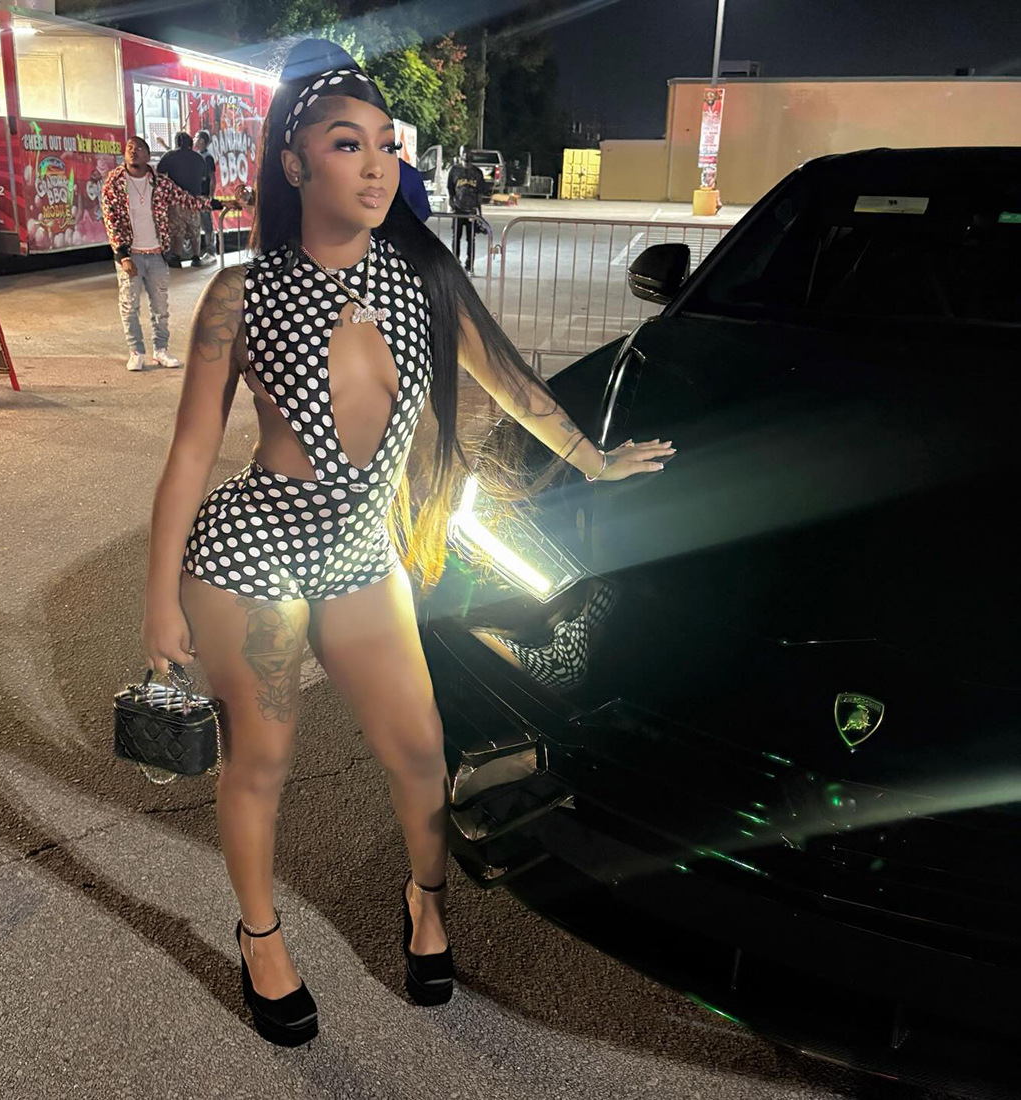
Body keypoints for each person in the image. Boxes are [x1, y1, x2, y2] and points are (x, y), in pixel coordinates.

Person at [138, 38, 675, 1047]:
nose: (377, 164)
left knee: (421, 751)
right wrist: (160, 593)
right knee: (262, 758)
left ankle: (425, 901)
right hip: (251, 551)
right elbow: (190, 454)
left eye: (387, 144)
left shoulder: (423, 278)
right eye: (348, 143)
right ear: (294, 162)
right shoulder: (242, 293)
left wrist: (592, 458)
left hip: (359, 554)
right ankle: (260, 936)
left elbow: (510, 380)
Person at [101, 136, 238, 372]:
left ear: (148, 155)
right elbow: (110, 218)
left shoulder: (160, 183)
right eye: (130, 148)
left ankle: (161, 350)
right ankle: (136, 352)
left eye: (139, 148)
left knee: (161, 308)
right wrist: (122, 255)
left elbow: (188, 200)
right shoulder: (114, 182)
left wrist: (221, 204)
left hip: (157, 254)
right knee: (130, 306)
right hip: (131, 255)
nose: (134, 151)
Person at [157, 132, 209, 267]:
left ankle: (177, 257)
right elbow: (204, 177)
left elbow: (159, 174)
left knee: (178, 229)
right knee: (195, 229)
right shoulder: (198, 158)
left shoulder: (169, 156)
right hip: (194, 199)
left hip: (176, 199)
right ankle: (196, 257)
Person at [446, 147, 485, 272]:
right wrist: (451, 203)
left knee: (471, 239)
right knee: (456, 237)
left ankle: (470, 264)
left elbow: (480, 193)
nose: (466, 161)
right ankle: (455, 263)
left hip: (471, 210)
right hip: (458, 209)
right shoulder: (454, 170)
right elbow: (450, 189)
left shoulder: (477, 173)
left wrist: (479, 212)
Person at [195, 129, 217, 258]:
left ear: (202, 141)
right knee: (196, 225)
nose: (194, 140)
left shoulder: (208, 157)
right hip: (196, 195)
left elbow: (212, 178)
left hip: (204, 195)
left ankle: (211, 251)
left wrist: (210, 196)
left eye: (196, 138)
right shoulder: (197, 155)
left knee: (207, 225)